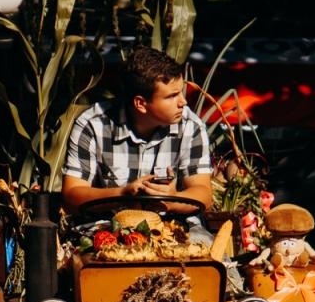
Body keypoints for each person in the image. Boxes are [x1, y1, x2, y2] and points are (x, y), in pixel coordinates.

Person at [62, 46, 214, 218]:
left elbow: (204, 194)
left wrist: (172, 200)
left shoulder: (190, 126)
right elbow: (71, 196)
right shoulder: (92, 125)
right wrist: (123, 194)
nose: (183, 102)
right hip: (108, 227)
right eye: (172, 96)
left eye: (181, 92)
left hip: (173, 225)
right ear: (140, 104)